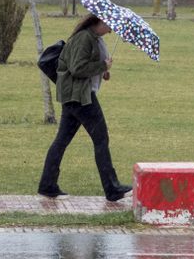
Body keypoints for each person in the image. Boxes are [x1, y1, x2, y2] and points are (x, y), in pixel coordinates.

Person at [37, 12, 132, 202]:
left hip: (75, 96)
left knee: (61, 141)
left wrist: (102, 71)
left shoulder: (93, 38)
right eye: (109, 24)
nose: (111, 29)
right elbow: (77, 68)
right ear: (99, 21)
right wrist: (101, 66)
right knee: (101, 139)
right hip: (81, 98)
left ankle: (47, 185)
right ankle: (112, 188)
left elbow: (85, 66)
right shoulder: (84, 38)